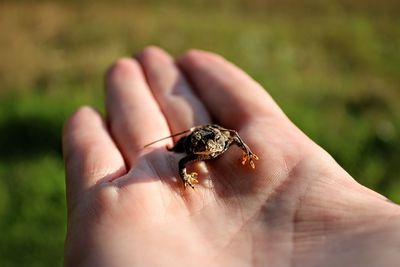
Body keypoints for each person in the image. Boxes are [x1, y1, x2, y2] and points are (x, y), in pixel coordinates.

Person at [62, 47, 400, 267]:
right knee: (176, 149)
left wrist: (249, 153)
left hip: (210, 132)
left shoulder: (222, 140)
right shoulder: (194, 149)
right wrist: (188, 171)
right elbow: (182, 159)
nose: (205, 152)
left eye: (207, 149)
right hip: (188, 137)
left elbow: (233, 135)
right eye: (202, 150)